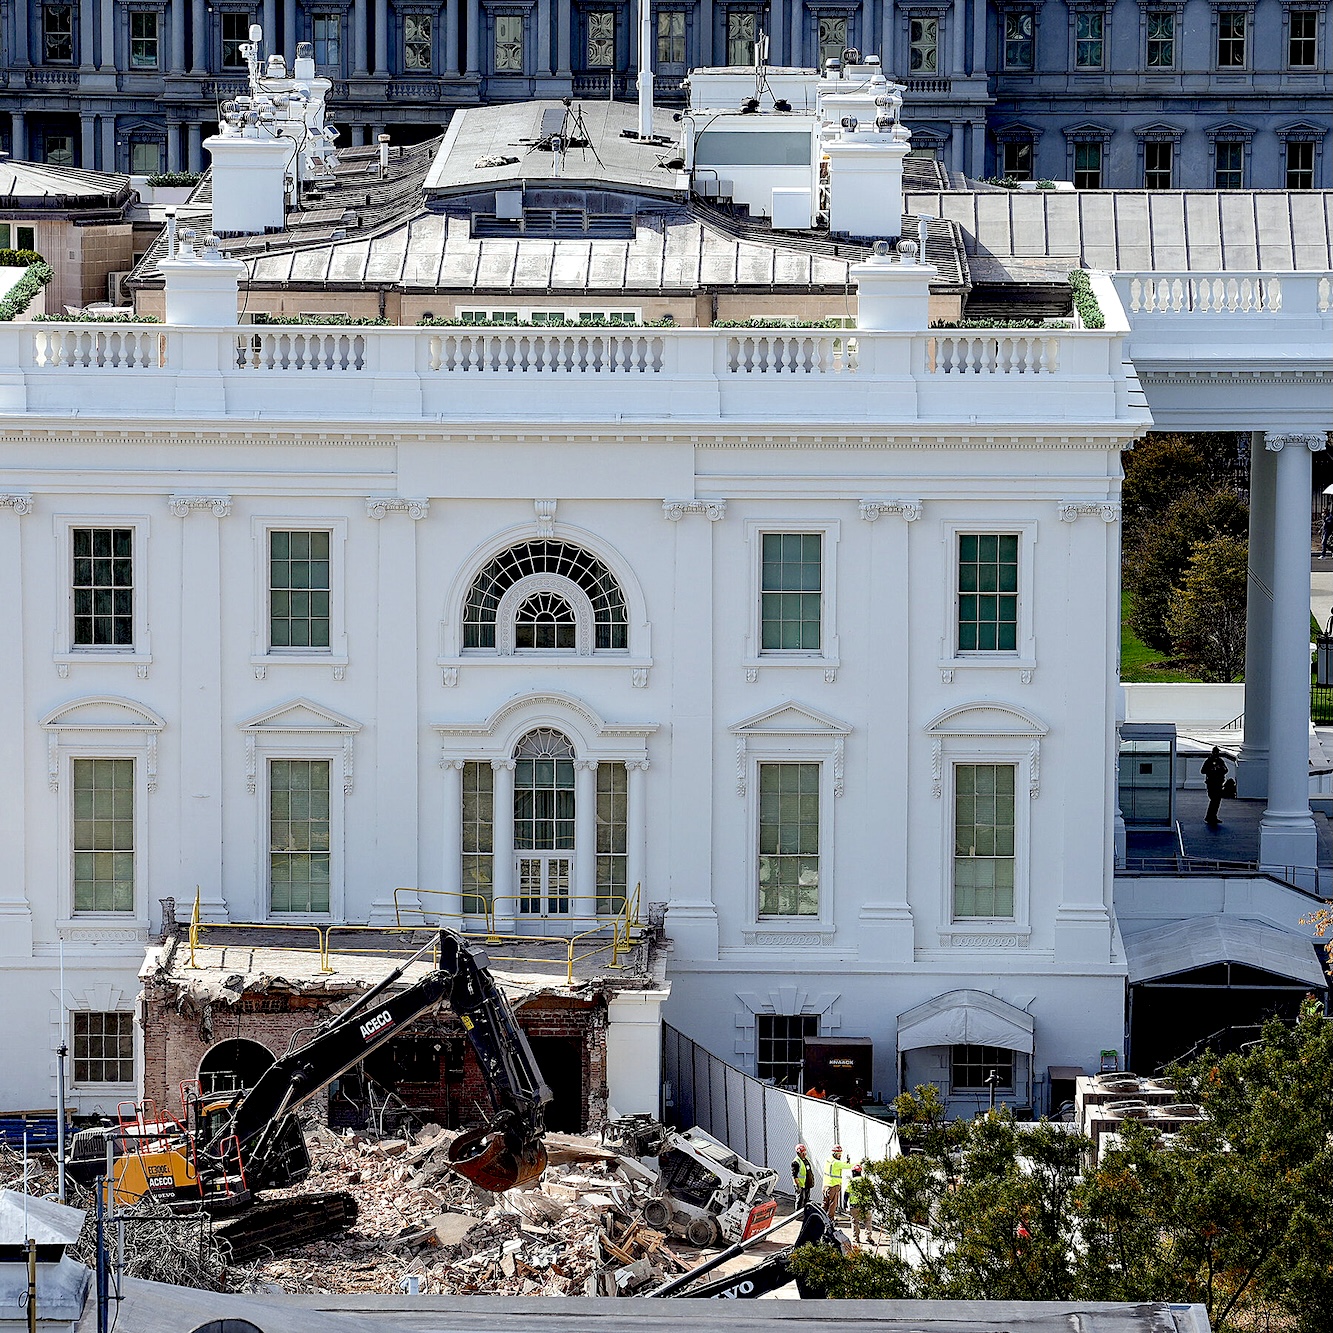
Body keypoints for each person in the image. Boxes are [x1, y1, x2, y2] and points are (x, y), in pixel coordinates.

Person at [846, 1162, 873, 1245]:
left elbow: (846, 1194)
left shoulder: (852, 1182)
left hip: (854, 1206)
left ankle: (856, 1238)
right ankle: (868, 1237)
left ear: (853, 1172)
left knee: (855, 1222)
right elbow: (873, 1192)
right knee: (868, 1221)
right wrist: (876, 1202)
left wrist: (844, 1204)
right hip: (866, 1205)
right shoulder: (866, 1181)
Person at [1202, 746, 1229, 827]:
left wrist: (1220, 769)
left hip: (1219, 783)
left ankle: (1213, 816)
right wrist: (1212, 769)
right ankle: (1210, 816)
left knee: (1216, 801)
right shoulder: (1209, 761)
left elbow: (1226, 770)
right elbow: (1203, 771)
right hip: (1211, 783)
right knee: (1214, 800)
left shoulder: (1220, 761)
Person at [823, 1144, 847, 1217]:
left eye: (840, 1153)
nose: (840, 1155)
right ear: (834, 1153)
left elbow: (841, 1164)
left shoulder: (829, 1160)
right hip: (833, 1186)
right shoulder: (836, 1162)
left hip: (826, 1186)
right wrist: (860, 1163)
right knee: (833, 1204)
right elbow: (847, 1166)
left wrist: (845, 1162)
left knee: (825, 1203)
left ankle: (820, 1217)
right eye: (838, 1154)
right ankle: (830, 1219)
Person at [791, 1143, 816, 1209]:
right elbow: (794, 1175)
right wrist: (798, 1185)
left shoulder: (806, 1159)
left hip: (807, 1184)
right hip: (801, 1185)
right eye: (802, 1152)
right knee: (800, 1199)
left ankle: (805, 1213)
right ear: (798, 1153)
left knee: (806, 1199)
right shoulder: (796, 1162)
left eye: (805, 1152)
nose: (804, 1154)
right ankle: (798, 1215)